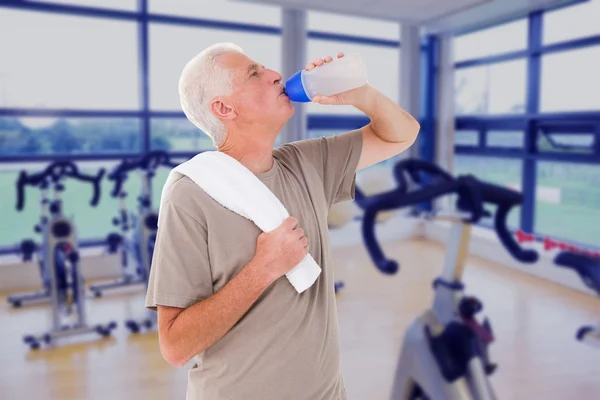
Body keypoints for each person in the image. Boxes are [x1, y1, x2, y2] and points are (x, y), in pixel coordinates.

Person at [145, 42, 420, 400]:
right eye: (254, 73)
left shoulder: (307, 163)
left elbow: (401, 133)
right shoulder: (190, 194)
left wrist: (360, 94)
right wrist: (263, 269)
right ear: (223, 108)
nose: (275, 75)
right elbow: (176, 346)